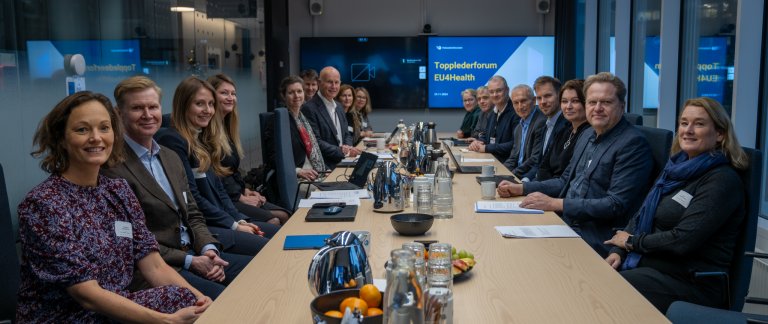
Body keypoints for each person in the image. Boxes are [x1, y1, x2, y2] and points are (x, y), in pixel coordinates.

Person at [17, 91, 211, 322]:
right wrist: (164, 321)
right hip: (67, 316)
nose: (96, 137)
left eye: (104, 128)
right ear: (61, 139)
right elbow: (85, 294)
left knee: (188, 300)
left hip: (114, 307)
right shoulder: (43, 204)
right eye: (82, 129)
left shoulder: (118, 191)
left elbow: (155, 267)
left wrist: (202, 300)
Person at [102, 76, 254, 299]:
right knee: (232, 301)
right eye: (137, 108)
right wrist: (192, 261)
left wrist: (209, 250)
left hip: (194, 251)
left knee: (262, 272)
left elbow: (193, 214)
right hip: (161, 267)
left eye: (152, 107)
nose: (147, 115)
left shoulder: (169, 157)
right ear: (119, 112)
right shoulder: (112, 168)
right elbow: (133, 242)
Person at [604, 97, 748, 313]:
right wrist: (618, 251)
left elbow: (683, 240)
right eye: (684, 123)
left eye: (699, 124)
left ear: (719, 134)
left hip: (692, 282)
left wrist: (631, 243)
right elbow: (642, 215)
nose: (688, 130)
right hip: (653, 266)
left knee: (604, 290)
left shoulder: (721, 180)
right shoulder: (675, 169)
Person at [497, 72, 654, 257]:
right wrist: (522, 188)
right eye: (592, 102)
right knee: (504, 241)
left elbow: (615, 204)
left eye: (606, 102)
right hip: (563, 223)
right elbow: (564, 181)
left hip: (594, 235)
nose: (597, 108)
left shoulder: (632, 143)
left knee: (522, 256)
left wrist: (557, 203)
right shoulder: (587, 134)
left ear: (622, 105)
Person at [155, 76, 279, 256]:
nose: (208, 110)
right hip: (205, 228)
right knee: (269, 248)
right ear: (183, 105)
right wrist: (233, 225)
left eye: (211, 104)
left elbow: (220, 191)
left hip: (222, 220)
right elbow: (193, 197)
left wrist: (239, 220)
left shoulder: (201, 138)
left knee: (278, 234)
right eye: (200, 104)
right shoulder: (173, 140)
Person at [208, 73, 290, 225]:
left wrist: (245, 190)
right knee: (276, 219)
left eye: (233, 93)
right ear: (211, 97)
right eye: (224, 93)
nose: (230, 97)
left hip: (235, 193)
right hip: (224, 200)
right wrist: (242, 198)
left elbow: (232, 170)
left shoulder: (227, 128)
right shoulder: (207, 132)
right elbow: (217, 176)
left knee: (285, 213)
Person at [301, 66, 361, 169]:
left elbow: (346, 134)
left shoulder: (339, 107)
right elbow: (315, 142)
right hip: (326, 167)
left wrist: (347, 148)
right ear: (319, 83)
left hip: (345, 162)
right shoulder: (309, 108)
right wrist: (342, 151)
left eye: (336, 82)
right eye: (329, 82)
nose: (334, 86)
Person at [536, 79, 591, 181]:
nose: (568, 107)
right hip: (544, 188)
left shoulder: (589, 134)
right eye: (564, 101)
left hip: (559, 193)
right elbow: (544, 166)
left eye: (575, 101)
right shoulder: (564, 130)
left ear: (586, 103)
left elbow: (566, 180)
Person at [468, 75, 520, 161]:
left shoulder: (516, 112)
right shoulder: (492, 113)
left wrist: (486, 148)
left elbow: (515, 144)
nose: (495, 95)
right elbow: (486, 135)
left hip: (507, 163)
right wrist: (478, 142)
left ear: (507, 90)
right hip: (491, 159)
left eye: (498, 91)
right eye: (491, 92)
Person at [502, 84, 545, 180]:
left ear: (534, 100)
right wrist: (500, 172)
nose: (520, 106)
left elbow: (535, 159)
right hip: (519, 173)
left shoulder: (541, 122)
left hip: (530, 176)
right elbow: (513, 157)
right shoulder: (519, 127)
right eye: (515, 103)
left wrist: (512, 175)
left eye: (523, 101)